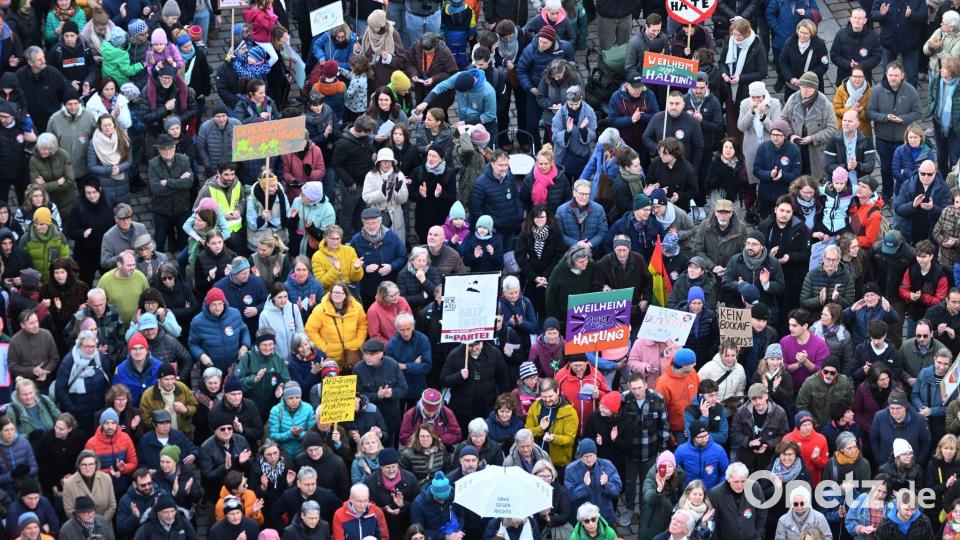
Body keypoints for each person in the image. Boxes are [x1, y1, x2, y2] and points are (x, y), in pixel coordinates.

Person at [867, 62, 923, 202]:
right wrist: (885, 117)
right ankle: (886, 195)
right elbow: (870, 112)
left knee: (903, 170)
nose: (893, 78)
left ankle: (902, 195)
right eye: (890, 75)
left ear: (902, 75)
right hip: (883, 138)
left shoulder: (910, 91)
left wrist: (902, 119)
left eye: (896, 75)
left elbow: (918, 113)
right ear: (886, 74)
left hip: (902, 140)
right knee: (885, 169)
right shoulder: (877, 91)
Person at [709, 462, 767, 540]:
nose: (740, 485)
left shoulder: (754, 487)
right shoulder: (715, 494)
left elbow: (762, 513)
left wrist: (758, 535)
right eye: (736, 482)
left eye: (743, 481)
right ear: (728, 479)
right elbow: (712, 522)